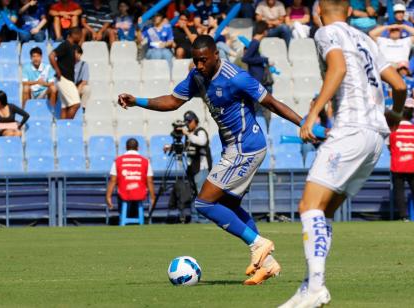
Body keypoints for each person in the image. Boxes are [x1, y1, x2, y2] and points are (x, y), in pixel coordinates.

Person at [118, 35, 303, 285]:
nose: (200, 65)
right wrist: (137, 101)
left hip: (246, 147)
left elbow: (271, 103)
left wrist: (304, 123)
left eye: (203, 60)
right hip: (232, 148)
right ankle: (266, 263)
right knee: (227, 204)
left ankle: (258, 243)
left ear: (216, 54)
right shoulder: (197, 76)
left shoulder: (236, 77)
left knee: (204, 203)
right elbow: (172, 102)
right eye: (196, 61)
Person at [279, 0, 406, 306]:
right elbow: (400, 86)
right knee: (324, 211)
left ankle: (316, 287)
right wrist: (396, 116)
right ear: (350, 11)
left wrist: (312, 115)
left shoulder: (325, 33)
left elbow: (338, 67)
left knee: (309, 206)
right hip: (376, 138)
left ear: (317, 12)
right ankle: (310, 285)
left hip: (350, 128)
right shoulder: (367, 40)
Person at [389, 98, 414, 222]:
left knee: (399, 191)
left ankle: (404, 216)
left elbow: (390, 146)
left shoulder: (393, 130)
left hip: (397, 165)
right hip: (411, 165)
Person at [106, 138, 156, 220]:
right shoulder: (146, 161)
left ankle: (123, 217)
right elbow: (149, 181)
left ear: (126, 147)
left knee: (121, 192)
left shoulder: (117, 160)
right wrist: (153, 198)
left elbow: (113, 180)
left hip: (124, 193)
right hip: (140, 193)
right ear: (138, 148)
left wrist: (108, 197)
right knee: (137, 193)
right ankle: (137, 218)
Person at [165, 111, 212, 193]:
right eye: (186, 122)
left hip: (201, 169)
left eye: (190, 121)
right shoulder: (189, 134)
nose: (188, 124)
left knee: (201, 194)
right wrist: (171, 147)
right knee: (193, 192)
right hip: (191, 168)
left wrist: (187, 133)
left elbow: (202, 142)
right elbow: (186, 148)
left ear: (195, 121)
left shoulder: (200, 131)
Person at [49, 27, 82, 120]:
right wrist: (57, 70)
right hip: (64, 79)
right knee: (76, 104)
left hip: (66, 78)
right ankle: (68, 125)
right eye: (80, 35)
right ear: (74, 35)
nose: (80, 38)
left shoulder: (71, 46)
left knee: (65, 107)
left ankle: (62, 130)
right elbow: (51, 56)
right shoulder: (65, 45)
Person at [73, 45, 90, 110]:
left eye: (79, 53)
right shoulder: (68, 64)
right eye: (75, 53)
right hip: (69, 87)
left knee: (87, 89)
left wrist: (77, 91)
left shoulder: (84, 64)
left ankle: (83, 108)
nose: (77, 55)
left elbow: (84, 81)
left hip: (78, 87)